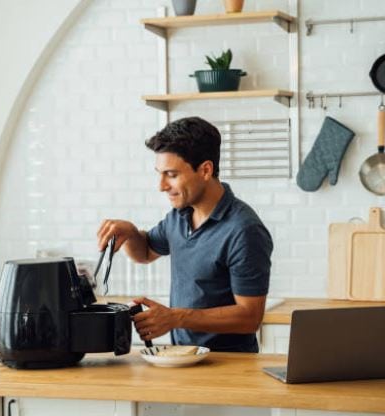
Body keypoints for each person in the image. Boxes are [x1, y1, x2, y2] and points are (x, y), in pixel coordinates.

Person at [96, 117, 273, 353]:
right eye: (159, 174)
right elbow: (145, 252)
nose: (161, 186)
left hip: (230, 365)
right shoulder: (179, 216)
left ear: (205, 170)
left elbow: (250, 317)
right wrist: (129, 233)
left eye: (171, 174)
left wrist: (176, 317)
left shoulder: (244, 230)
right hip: (184, 358)